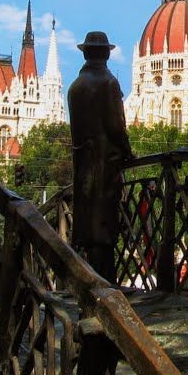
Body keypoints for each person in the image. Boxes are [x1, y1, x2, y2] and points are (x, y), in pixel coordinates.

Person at [67, 31, 134, 283]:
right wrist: (128, 152)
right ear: (106, 53)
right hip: (105, 165)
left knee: (86, 225)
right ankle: (104, 287)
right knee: (104, 228)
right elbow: (117, 127)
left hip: (82, 166)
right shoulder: (108, 83)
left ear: (85, 53)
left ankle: (85, 282)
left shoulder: (75, 87)